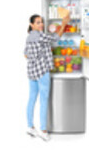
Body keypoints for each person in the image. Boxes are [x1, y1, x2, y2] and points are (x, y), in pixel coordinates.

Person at [23, 14, 63, 142]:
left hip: (31, 72)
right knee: (43, 100)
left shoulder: (29, 37)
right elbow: (56, 38)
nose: (41, 25)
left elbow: (25, 54)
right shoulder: (40, 35)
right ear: (32, 25)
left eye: (42, 22)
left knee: (32, 98)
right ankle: (43, 130)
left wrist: (38, 55)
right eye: (38, 22)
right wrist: (64, 23)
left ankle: (30, 126)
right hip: (42, 72)